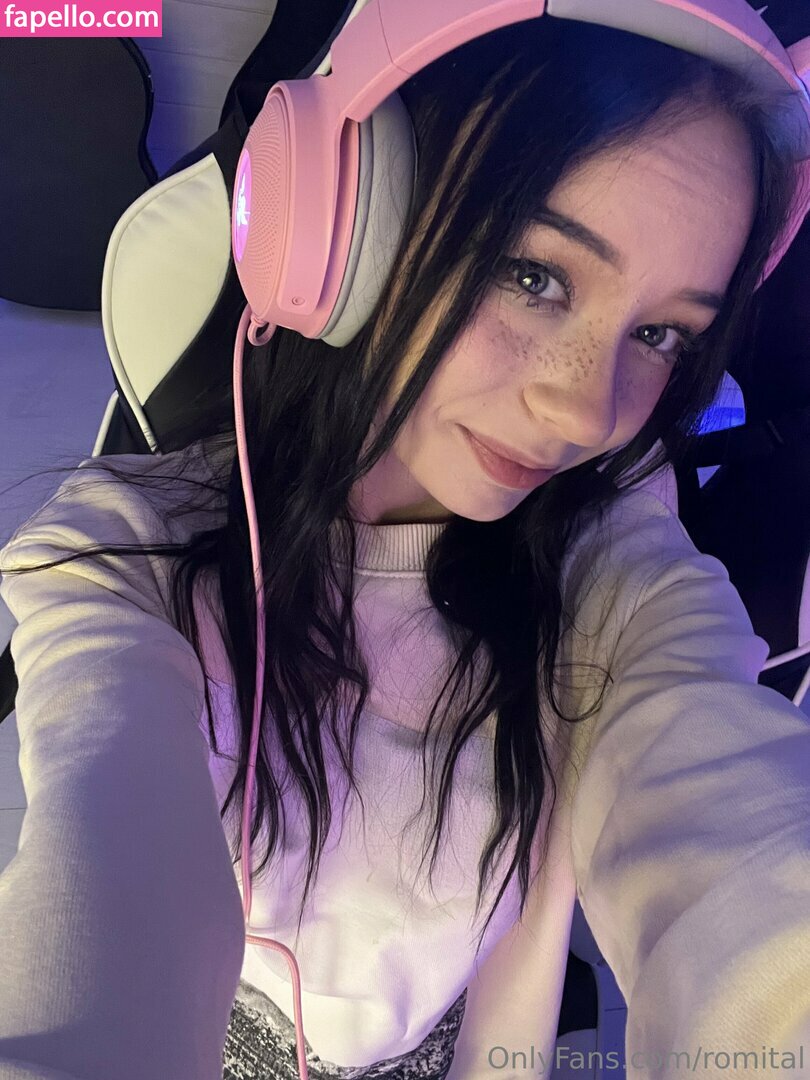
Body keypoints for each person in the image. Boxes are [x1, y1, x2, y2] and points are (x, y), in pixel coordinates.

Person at [0, 14, 808, 1080]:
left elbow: (737, 845)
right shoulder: (117, 554)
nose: (586, 411)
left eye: (660, 334)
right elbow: (105, 867)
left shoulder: (615, 576)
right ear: (345, 229)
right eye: (534, 273)